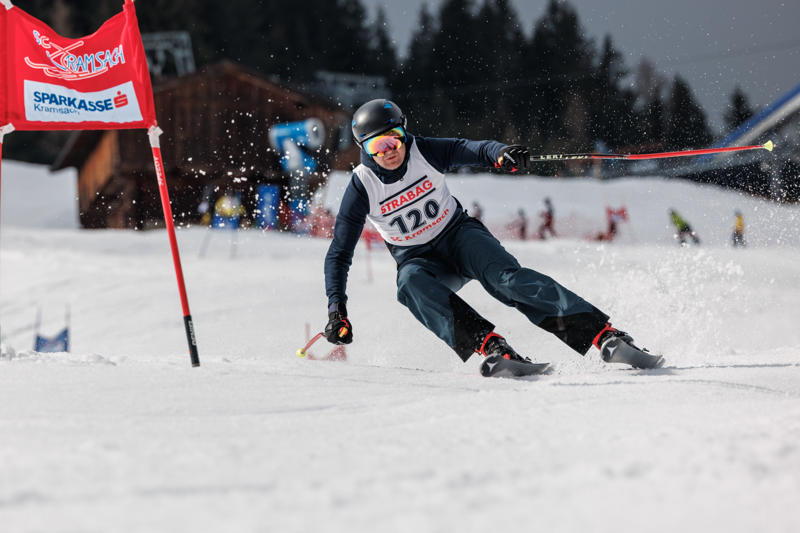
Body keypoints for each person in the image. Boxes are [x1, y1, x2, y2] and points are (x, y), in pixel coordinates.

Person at [323, 99, 663, 376]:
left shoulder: (423, 150)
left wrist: (501, 153)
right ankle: (493, 347)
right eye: (377, 145)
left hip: (459, 237)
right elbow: (339, 253)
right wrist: (337, 310)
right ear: (364, 148)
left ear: (404, 133)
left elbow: (472, 149)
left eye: (394, 138)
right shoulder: (362, 186)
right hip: (419, 260)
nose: (389, 150)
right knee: (408, 285)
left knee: (507, 280)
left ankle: (604, 336)